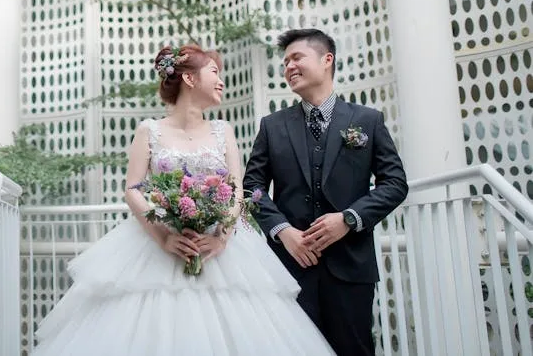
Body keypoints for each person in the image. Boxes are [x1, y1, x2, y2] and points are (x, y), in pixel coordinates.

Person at [33, 44, 336, 355]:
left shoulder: (223, 130)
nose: (222, 81)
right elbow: (133, 189)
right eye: (215, 72)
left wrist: (222, 238)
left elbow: (235, 189)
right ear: (190, 79)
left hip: (223, 250)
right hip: (159, 245)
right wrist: (164, 237)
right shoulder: (148, 130)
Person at [243, 29, 408, 356]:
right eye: (285, 61)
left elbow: (395, 183)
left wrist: (349, 219)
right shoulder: (272, 126)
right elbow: (252, 188)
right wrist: (282, 231)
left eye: (296, 57)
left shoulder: (367, 120)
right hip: (288, 267)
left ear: (326, 59)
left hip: (350, 267)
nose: (288, 66)